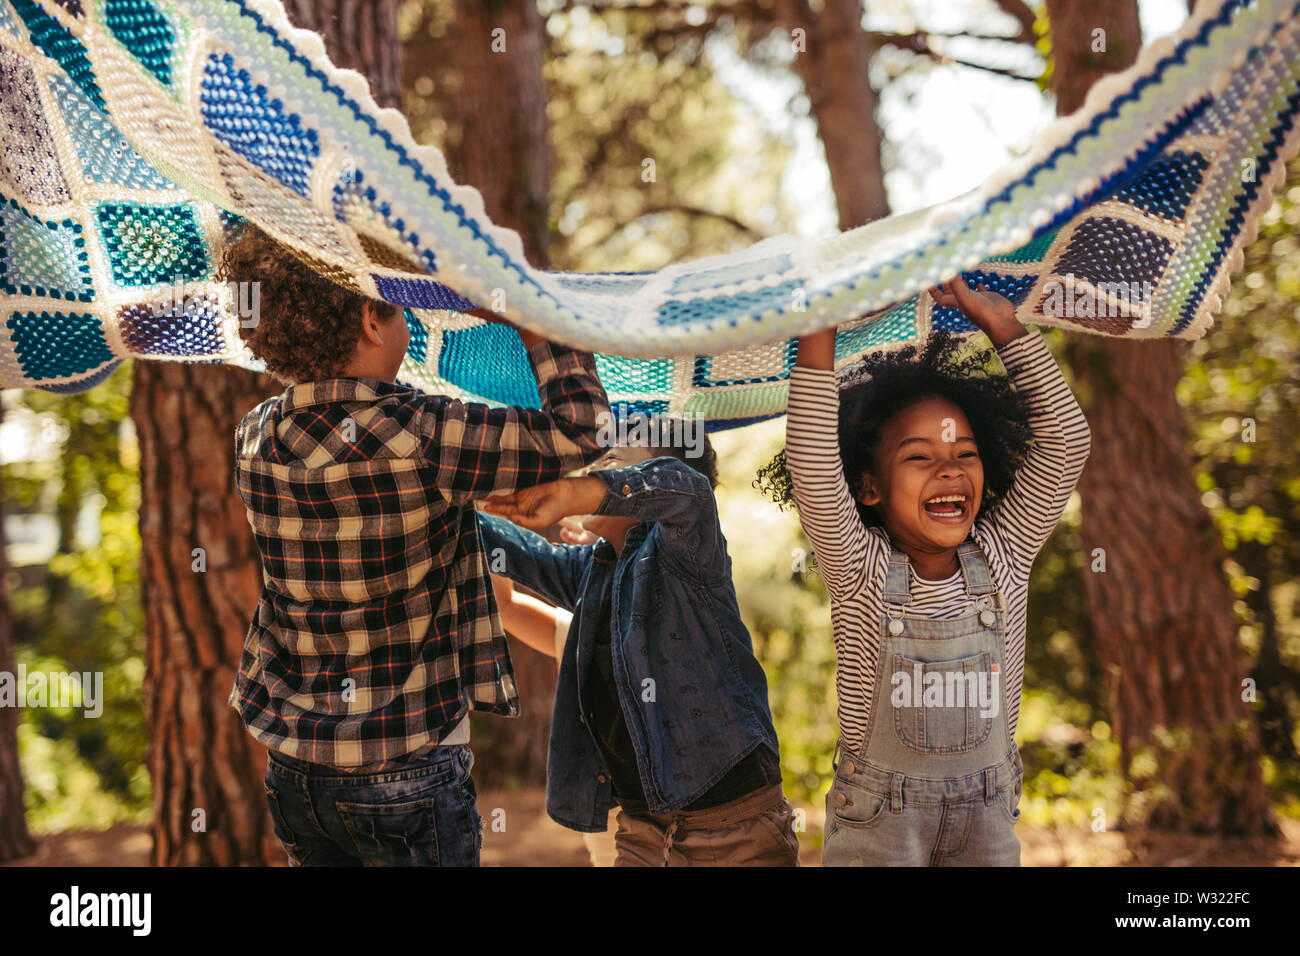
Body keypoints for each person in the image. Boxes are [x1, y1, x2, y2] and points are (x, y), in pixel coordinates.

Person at [221, 223, 610, 866]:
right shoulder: (427, 432)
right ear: (373, 321)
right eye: (400, 308)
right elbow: (582, 430)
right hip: (405, 769)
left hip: (294, 768)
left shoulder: (255, 437)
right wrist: (535, 323)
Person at [759, 276, 1090, 866]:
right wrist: (818, 331)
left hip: (987, 822)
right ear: (868, 486)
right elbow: (811, 465)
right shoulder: (859, 566)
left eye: (966, 452)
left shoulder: (1004, 554)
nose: (949, 469)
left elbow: (1065, 444)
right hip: (881, 826)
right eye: (919, 457)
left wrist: (1005, 328)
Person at [478, 423, 800, 866]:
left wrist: (575, 494)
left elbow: (688, 490)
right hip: (642, 831)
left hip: (734, 823)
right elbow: (511, 550)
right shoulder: (594, 569)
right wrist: (474, 491)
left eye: (613, 463)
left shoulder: (685, 551)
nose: (595, 473)